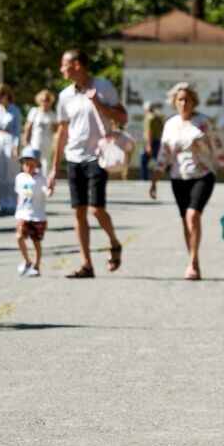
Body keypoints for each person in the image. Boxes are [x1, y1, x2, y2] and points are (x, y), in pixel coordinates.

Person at [47, 49, 127, 278]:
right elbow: (62, 133)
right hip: (74, 158)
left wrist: (98, 103)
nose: (61, 69)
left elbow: (123, 117)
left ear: (77, 65)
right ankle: (86, 264)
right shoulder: (65, 96)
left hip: (97, 157)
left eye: (65, 64)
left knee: (96, 209)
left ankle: (114, 242)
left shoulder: (103, 87)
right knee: (79, 212)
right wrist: (54, 168)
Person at [148, 82, 224, 280]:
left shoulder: (203, 122)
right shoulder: (170, 125)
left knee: (193, 215)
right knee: (185, 220)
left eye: (187, 100)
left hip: (202, 174)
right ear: (174, 102)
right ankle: (191, 257)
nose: (184, 103)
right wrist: (155, 180)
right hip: (178, 176)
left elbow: (218, 149)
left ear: (193, 102)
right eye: (180, 99)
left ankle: (193, 262)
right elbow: (164, 154)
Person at [14, 147, 48, 278]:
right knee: (19, 237)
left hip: (37, 216)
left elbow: (47, 192)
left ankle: (36, 266)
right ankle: (27, 260)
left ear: (37, 165)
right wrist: (18, 212)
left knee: (36, 242)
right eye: (26, 164)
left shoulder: (41, 179)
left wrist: (50, 189)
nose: (28, 167)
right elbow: (19, 195)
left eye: (31, 165)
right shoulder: (19, 178)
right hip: (23, 215)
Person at [0, 84, 22, 214]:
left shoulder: (14, 110)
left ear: (6, 95)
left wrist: (16, 147)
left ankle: (12, 203)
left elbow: (17, 130)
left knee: (11, 174)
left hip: (10, 140)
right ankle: (2, 203)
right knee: (0, 174)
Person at [24, 89, 57, 171]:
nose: (45, 102)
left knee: (46, 162)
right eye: (43, 100)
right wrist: (26, 141)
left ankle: (45, 178)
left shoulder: (52, 114)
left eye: (47, 100)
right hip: (36, 140)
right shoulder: (34, 111)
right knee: (36, 159)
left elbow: (55, 130)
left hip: (48, 141)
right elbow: (28, 127)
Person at [140, 101, 163, 180]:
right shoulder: (157, 118)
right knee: (158, 160)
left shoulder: (148, 118)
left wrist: (148, 145)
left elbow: (149, 132)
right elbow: (162, 128)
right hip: (157, 141)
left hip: (150, 142)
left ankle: (144, 178)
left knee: (143, 160)